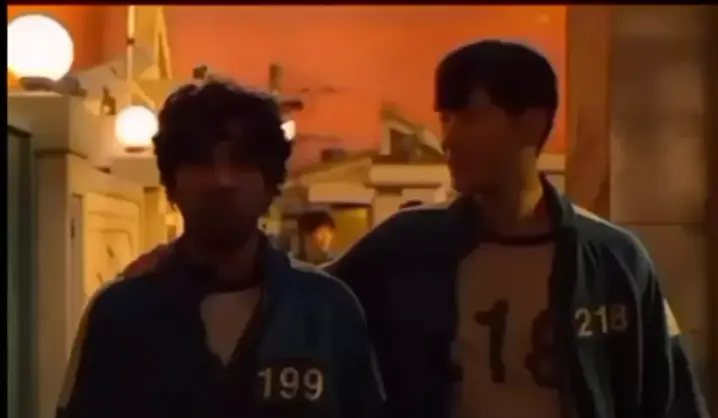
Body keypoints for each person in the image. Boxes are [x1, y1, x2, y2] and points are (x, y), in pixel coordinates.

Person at [117, 41, 709, 418]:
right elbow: (295, 299)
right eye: (444, 118)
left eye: (469, 116)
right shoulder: (409, 246)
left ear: (531, 123)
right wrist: (178, 263)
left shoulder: (613, 259)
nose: (449, 138)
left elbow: (669, 395)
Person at [57, 81, 384, 418]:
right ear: (172, 185)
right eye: (201, 163)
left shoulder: (327, 309)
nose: (221, 181)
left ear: (269, 185)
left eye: (241, 163)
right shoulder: (119, 313)